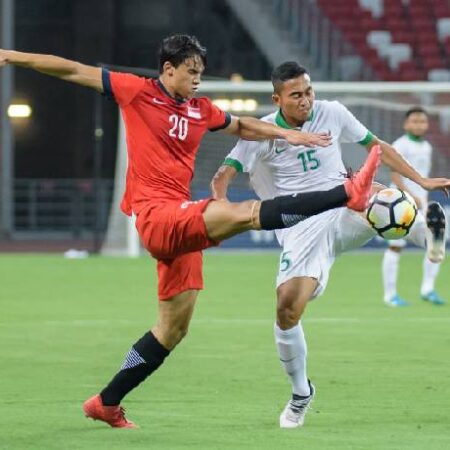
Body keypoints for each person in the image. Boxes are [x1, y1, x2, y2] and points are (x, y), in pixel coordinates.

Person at [0, 35, 383, 429]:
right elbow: (71, 69)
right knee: (245, 213)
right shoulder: (136, 91)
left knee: (172, 329)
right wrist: (11, 56)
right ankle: (346, 192)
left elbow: (242, 126)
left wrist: (285, 133)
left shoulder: (201, 110)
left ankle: (106, 402)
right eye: (191, 72)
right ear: (168, 69)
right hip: (157, 214)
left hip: (179, 221)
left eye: (201, 72)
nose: (198, 79)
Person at [211, 61, 449, 428]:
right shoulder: (261, 133)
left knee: (380, 197)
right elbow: (223, 176)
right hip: (300, 224)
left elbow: (377, 147)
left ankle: (430, 235)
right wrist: (221, 209)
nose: (306, 100)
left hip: (344, 202)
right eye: (296, 95)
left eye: (308, 91)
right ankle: (301, 392)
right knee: (287, 308)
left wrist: (420, 181)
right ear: (278, 99)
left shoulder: (332, 112)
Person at [382, 107, 446, 307]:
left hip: (422, 203)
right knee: (395, 247)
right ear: (406, 124)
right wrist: (409, 195)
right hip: (399, 204)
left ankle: (428, 288)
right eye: (415, 121)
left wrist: (422, 197)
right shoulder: (399, 145)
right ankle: (390, 295)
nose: (419, 124)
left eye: (422, 121)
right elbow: (394, 174)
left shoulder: (426, 146)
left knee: (436, 243)